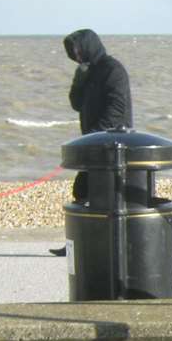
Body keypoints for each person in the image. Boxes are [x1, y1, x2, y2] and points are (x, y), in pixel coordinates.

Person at [51, 29, 134, 255]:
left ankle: (92, 246)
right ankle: (78, 244)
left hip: (112, 146)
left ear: (89, 46)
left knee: (102, 196)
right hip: (92, 145)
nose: (76, 57)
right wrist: (79, 80)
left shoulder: (113, 70)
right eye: (73, 53)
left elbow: (117, 109)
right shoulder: (88, 71)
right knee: (83, 191)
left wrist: (95, 136)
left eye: (78, 51)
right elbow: (76, 104)